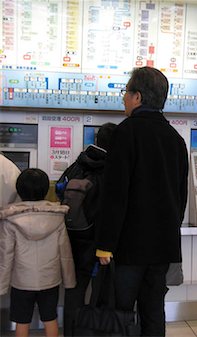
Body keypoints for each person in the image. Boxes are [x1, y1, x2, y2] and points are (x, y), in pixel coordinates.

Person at [95, 66, 189, 336]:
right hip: (163, 246)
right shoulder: (175, 139)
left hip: (130, 247)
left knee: (122, 311)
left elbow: (115, 194)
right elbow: (180, 195)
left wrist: (104, 244)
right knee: (153, 309)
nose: (124, 98)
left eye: (126, 92)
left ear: (137, 97)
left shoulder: (126, 133)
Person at [0, 168, 76, 337]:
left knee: (22, 320)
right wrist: (69, 280)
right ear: (45, 190)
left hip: (21, 281)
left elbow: (6, 255)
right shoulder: (56, 217)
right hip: (50, 279)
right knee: (50, 318)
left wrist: (2, 284)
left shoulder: (10, 219)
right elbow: (65, 252)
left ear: (19, 190)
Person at [60, 122, 117, 337]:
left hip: (74, 236)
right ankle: (98, 332)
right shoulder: (111, 168)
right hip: (100, 239)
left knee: (75, 289)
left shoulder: (78, 163)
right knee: (103, 290)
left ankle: (72, 332)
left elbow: (60, 190)